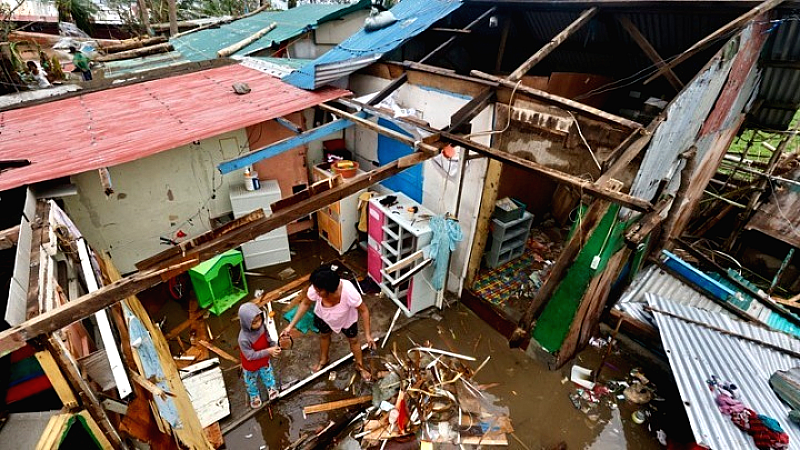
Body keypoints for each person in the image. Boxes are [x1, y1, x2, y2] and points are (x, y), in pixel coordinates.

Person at [281, 265, 376, 381]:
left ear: (329, 289)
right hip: (323, 316)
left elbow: (364, 310)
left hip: (346, 319)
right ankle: (323, 359)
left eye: (319, 290)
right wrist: (289, 327)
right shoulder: (316, 289)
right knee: (324, 336)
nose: (315, 291)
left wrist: (368, 335)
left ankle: (360, 366)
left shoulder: (349, 292)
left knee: (354, 340)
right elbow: (305, 303)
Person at [238, 302, 281, 409]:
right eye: (254, 322)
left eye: (259, 320)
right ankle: (254, 395)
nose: (258, 323)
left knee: (267, 374)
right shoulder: (243, 339)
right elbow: (250, 356)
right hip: (250, 364)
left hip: (263, 360)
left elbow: (268, 338)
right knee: (251, 380)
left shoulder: (262, 326)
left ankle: (270, 387)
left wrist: (274, 346)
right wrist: (269, 351)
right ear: (246, 323)